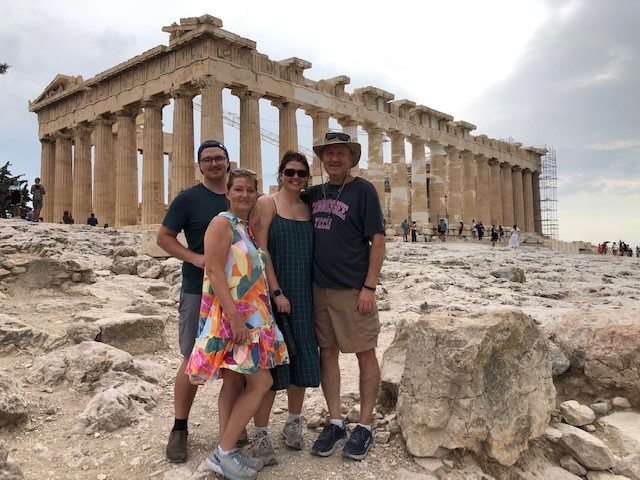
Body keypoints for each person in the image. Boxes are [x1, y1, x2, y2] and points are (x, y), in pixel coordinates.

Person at [186, 168, 289, 479]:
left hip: (255, 315)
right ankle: (223, 453)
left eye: (250, 190)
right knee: (262, 382)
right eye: (238, 189)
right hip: (237, 317)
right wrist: (234, 318)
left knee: (234, 381)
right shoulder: (221, 223)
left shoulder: (246, 228)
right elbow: (215, 272)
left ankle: (227, 449)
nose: (244, 195)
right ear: (228, 193)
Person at [155, 140, 237, 463]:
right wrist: (193, 257)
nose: (214, 164)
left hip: (239, 292)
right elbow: (163, 237)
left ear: (229, 162)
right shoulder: (188, 198)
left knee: (236, 361)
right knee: (191, 357)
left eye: (219, 158)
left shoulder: (241, 195)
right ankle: (179, 428)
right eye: (208, 160)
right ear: (199, 165)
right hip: (196, 288)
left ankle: (231, 428)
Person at [306, 132, 385, 461]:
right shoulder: (312, 194)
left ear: (351, 158)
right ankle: (336, 420)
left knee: (365, 354)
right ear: (322, 159)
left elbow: (378, 242)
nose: (334, 159)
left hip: (353, 289)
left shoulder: (363, 190)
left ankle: (364, 426)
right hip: (319, 289)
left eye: (341, 153)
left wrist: (369, 287)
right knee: (328, 353)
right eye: (329, 154)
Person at [249, 151, 320, 465]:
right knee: (273, 364)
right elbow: (259, 250)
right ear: (280, 174)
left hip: (305, 295)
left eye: (301, 174)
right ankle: (261, 433)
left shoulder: (309, 208)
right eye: (290, 172)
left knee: (301, 358)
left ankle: (293, 422)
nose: (295, 178)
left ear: (306, 178)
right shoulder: (267, 203)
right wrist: (275, 291)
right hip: (272, 294)